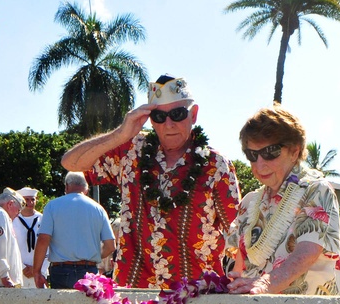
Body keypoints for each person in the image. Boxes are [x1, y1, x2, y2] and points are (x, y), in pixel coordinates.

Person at [60, 74, 239, 288]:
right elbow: (71, 163)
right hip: (133, 295)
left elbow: (238, 232)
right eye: (159, 117)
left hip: (196, 297)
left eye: (178, 114)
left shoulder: (216, 165)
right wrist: (120, 134)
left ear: (194, 114)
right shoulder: (131, 151)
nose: (169, 124)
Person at [226, 106, 340, 295]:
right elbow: (239, 263)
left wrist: (265, 284)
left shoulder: (316, 190)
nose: (260, 164)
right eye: (252, 155)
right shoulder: (249, 203)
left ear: (294, 151)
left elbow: (307, 252)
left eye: (270, 152)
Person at [33, 172, 116, 289]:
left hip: (61, 271)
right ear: (86, 188)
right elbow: (110, 246)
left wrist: (37, 271)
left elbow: (43, 239)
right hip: (89, 271)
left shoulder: (52, 206)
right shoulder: (99, 209)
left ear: (66, 186)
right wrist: (94, 256)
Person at [12, 186, 47, 289]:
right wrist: (22, 268)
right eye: (27, 199)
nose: (30, 202)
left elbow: (49, 247)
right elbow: (10, 247)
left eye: (33, 199)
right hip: (18, 272)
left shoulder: (43, 219)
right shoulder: (13, 220)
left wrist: (38, 270)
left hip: (39, 273)